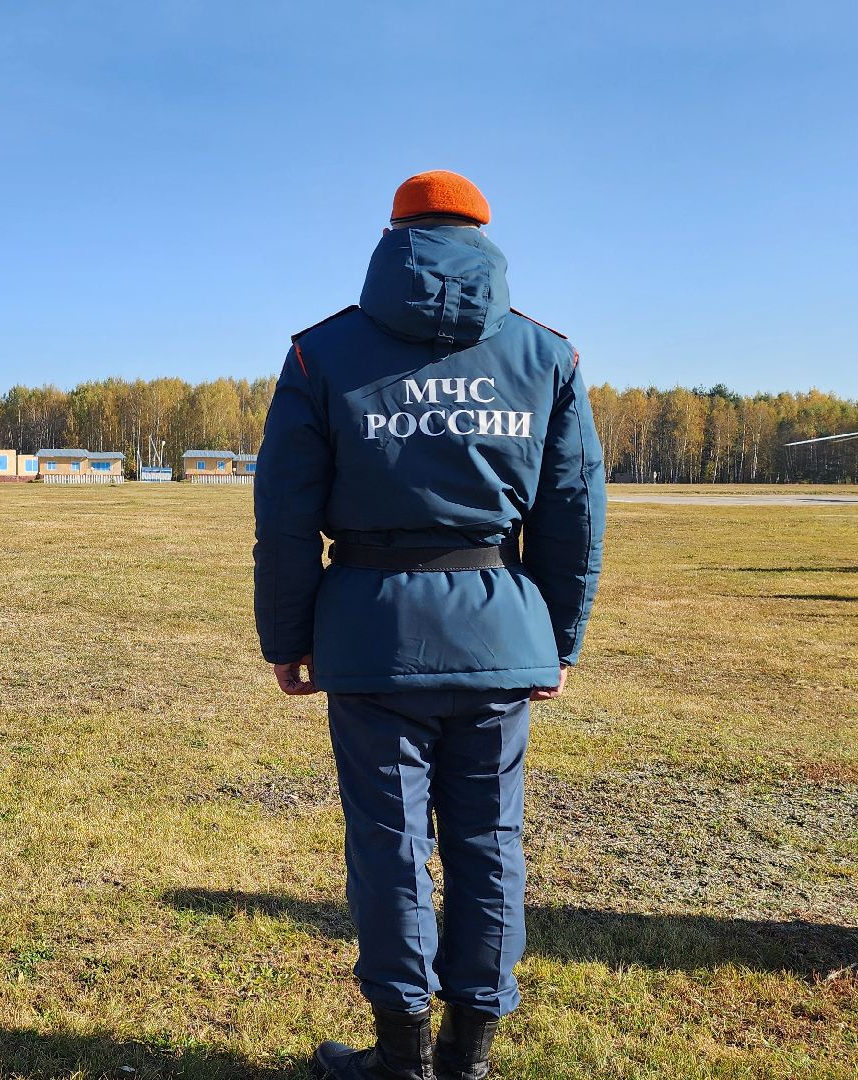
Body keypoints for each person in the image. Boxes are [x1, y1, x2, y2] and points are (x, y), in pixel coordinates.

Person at [254, 170, 605, 1080]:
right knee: (490, 846)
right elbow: (571, 514)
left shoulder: (321, 354)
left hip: (373, 640)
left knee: (390, 847)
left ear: (393, 234)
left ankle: (402, 1056)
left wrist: (287, 637)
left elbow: (287, 516)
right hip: (497, 634)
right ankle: (468, 1058)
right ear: (483, 235)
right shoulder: (546, 357)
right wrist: (558, 640)